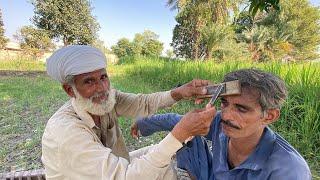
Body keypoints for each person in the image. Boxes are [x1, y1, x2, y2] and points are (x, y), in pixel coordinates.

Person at [42, 45, 216, 180]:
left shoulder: (107, 100)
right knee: (161, 159)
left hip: (113, 167)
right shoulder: (65, 131)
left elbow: (143, 103)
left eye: (103, 77)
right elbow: (124, 176)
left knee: (162, 158)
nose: (102, 88)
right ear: (70, 90)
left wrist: (179, 92)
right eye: (89, 82)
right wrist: (180, 134)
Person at [133, 69, 311, 180]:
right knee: (187, 133)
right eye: (225, 103)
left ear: (269, 116)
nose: (226, 115)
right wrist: (142, 124)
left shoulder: (289, 170)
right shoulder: (220, 121)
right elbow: (175, 121)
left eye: (241, 109)